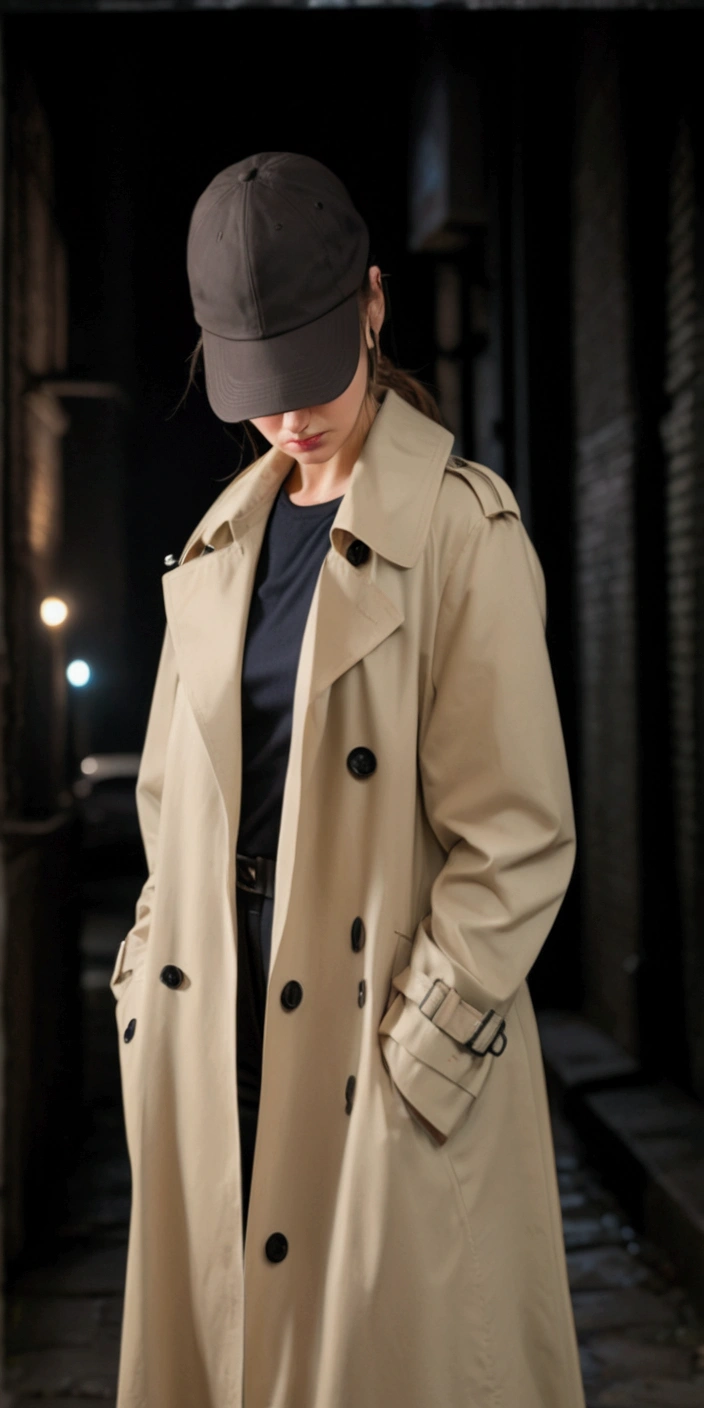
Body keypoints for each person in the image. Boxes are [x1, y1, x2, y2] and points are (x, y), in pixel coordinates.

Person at [110, 151, 586, 1408]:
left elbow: (516, 839)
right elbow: (171, 810)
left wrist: (421, 1048)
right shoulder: (218, 545)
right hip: (220, 1034)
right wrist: (144, 1002)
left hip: (374, 1045)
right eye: (258, 387)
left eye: (311, 372)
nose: (289, 416)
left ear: (374, 304)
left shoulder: (459, 531)